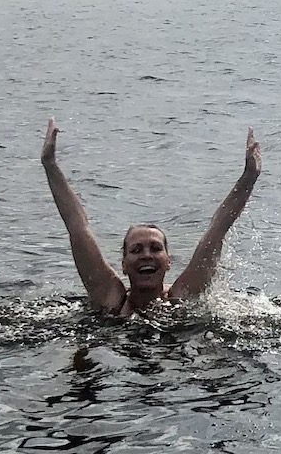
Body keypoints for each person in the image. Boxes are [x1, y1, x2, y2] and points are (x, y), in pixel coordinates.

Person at [39, 117, 263, 317]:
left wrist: (249, 177)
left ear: (168, 261)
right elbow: (78, 228)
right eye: (136, 250)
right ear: (124, 265)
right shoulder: (110, 297)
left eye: (155, 248)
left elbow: (217, 231)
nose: (146, 255)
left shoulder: (182, 297)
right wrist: (50, 165)